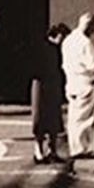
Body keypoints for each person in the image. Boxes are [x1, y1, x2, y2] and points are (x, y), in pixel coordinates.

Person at [61, 11, 94, 158]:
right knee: (84, 119)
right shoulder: (85, 43)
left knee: (74, 117)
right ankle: (82, 149)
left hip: (71, 84)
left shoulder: (68, 41)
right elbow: (93, 65)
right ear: (89, 26)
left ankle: (74, 148)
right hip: (85, 84)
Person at [31, 22, 68, 163]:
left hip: (51, 85)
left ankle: (52, 150)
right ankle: (39, 151)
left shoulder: (55, 49)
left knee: (53, 119)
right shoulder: (43, 48)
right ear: (58, 35)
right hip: (42, 85)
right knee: (40, 118)